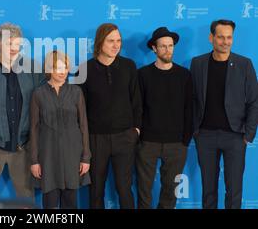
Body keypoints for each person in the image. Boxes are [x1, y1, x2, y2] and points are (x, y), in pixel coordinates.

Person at [0, 22, 45, 201]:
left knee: (27, 197)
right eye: (9, 43)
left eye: (17, 45)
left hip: (23, 143)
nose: (13, 48)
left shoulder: (33, 69)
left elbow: (43, 101)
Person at [191, 19, 258, 209]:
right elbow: (193, 98)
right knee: (208, 191)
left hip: (235, 136)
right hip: (205, 136)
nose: (225, 41)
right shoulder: (198, 64)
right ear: (211, 37)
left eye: (229, 37)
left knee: (234, 190)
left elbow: (254, 101)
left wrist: (248, 134)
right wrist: (195, 130)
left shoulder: (244, 64)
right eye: (220, 37)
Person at [79, 23, 142, 209]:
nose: (116, 45)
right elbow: (79, 109)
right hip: (96, 140)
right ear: (100, 43)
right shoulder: (85, 69)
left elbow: (137, 102)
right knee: (96, 189)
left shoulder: (129, 66)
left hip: (125, 137)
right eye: (111, 41)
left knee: (124, 188)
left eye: (119, 41)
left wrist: (136, 130)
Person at [136, 27, 193, 209]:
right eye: (163, 46)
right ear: (154, 48)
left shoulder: (184, 75)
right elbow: (137, 108)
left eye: (170, 46)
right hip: (148, 143)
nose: (168, 50)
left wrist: (185, 140)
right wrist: (140, 137)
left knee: (170, 190)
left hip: (176, 144)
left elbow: (190, 109)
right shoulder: (142, 74)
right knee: (144, 189)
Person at [30, 51, 91, 209]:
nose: (63, 72)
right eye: (58, 68)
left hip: (72, 155)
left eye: (65, 67)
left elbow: (83, 125)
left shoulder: (76, 92)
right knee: (49, 202)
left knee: (70, 203)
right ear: (49, 69)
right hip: (48, 156)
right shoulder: (38, 94)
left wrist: (85, 157)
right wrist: (34, 161)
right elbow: (34, 128)